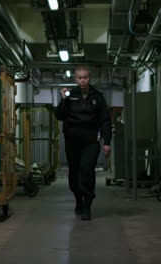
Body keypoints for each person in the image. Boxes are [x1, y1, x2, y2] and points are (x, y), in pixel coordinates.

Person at [55, 65, 112, 221]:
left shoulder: (97, 97)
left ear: (90, 77)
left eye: (85, 77)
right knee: (74, 172)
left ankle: (87, 205)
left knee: (87, 171)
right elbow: (59, 116)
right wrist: (63, 100)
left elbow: (105, 120)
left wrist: (107, 142)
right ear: (75, 78)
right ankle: (78, 200)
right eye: (79, 77)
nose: (82, 80)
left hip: (90, 142)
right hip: (72, 141)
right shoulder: (70, 95)